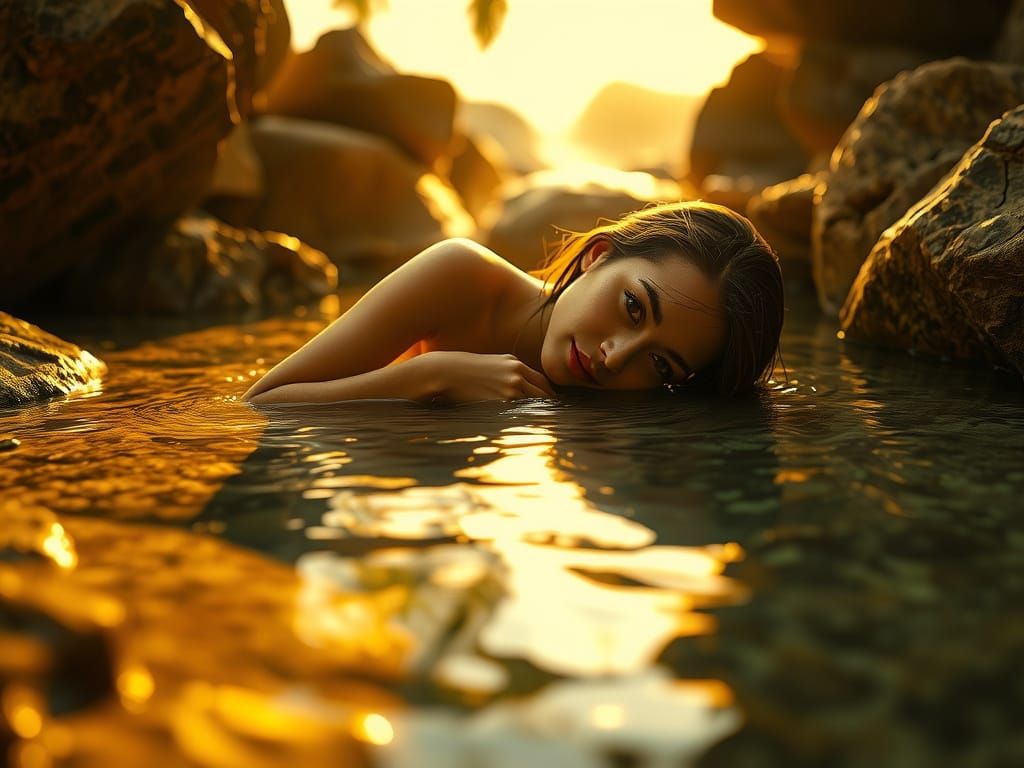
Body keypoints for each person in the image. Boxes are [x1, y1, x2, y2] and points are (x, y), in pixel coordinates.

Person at [242, 201, 784, 405]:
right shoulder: (460, 278)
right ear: (597, 257)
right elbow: (260, 405)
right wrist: (429, 374)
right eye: (634, 308)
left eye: (661, 362)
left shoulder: (628, 403)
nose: (616, 358)